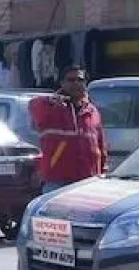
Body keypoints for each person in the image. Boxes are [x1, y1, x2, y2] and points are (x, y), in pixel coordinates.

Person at [28, 66, 107, 194]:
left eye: (80, 80)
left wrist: (103, 171)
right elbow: (34, 105)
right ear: (62, 83)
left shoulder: (92, 111)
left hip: (88, 179)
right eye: (71, 80)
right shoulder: (48, 106)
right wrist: (52, 102)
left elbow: (101, 145)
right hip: (57, 179)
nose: (76, 83)